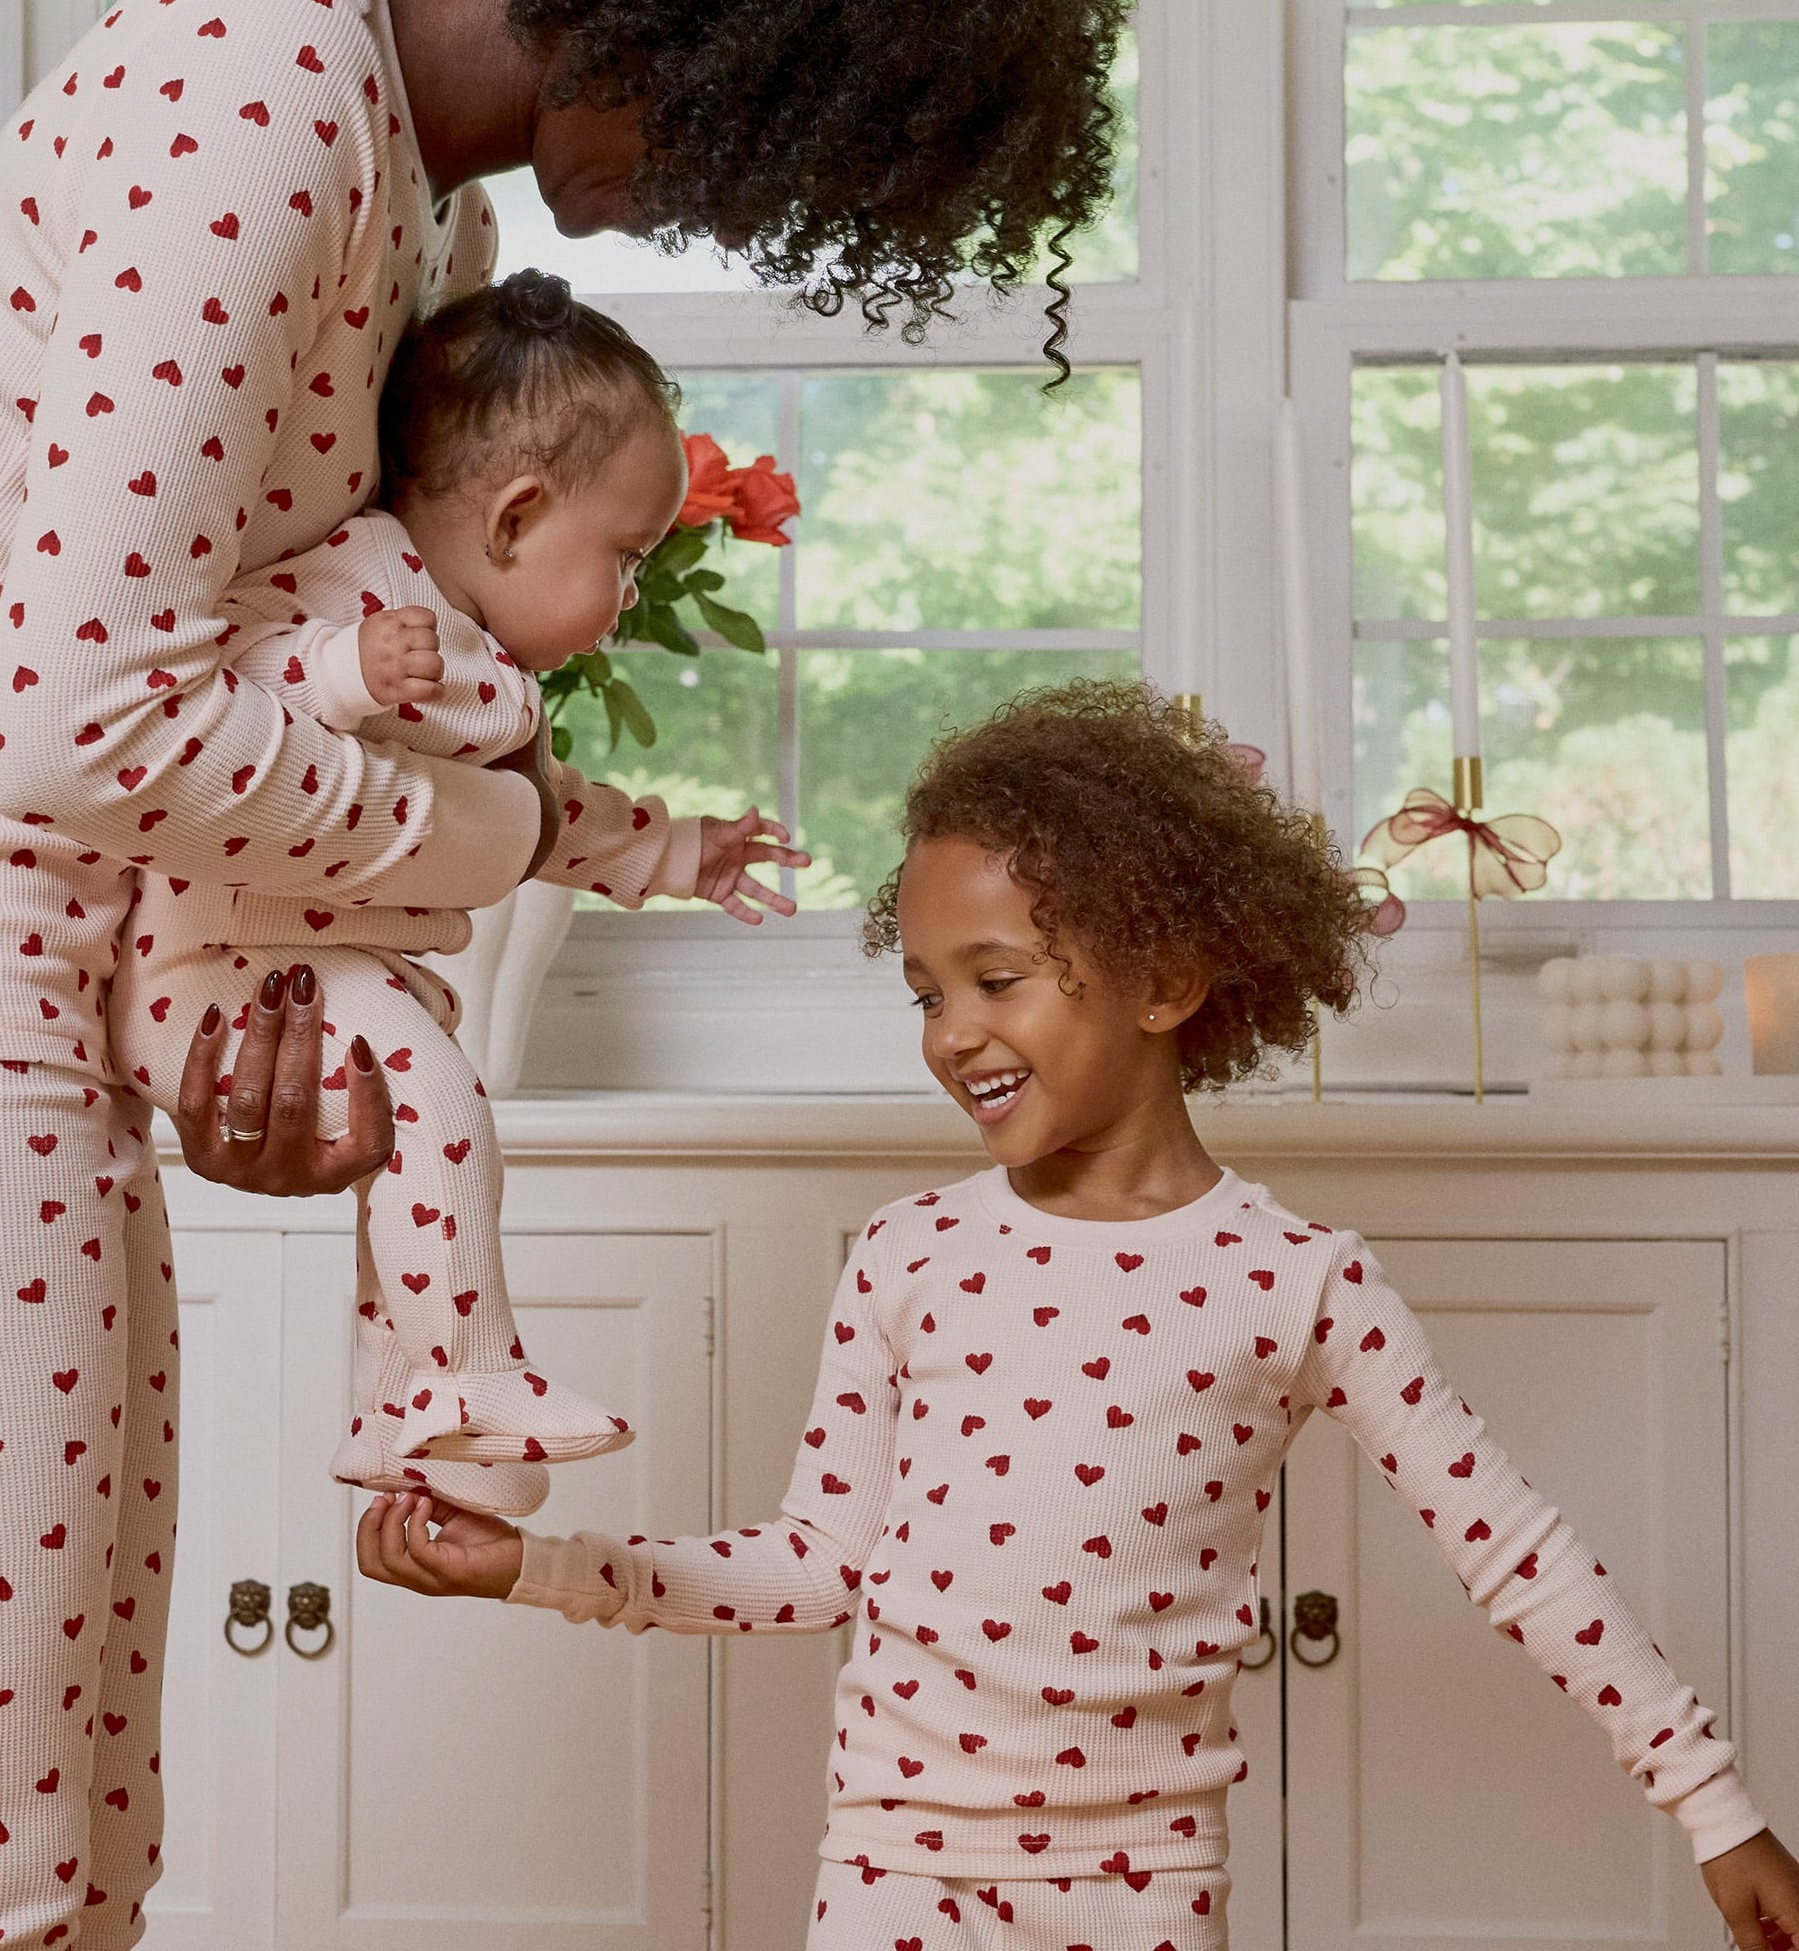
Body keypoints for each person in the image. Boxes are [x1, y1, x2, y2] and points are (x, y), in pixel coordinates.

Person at [0, 0, 1128, 1943]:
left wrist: (226, 1054)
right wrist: (492, 834)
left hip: (33, 1027)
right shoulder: (257, 83)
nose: (717, 210)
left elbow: (237, 685)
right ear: (688, 13)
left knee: (69, 1827)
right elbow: (71, 719)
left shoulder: (421, 222)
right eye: (747, 153)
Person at [357, 682, 1799, 1951]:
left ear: (1169, 981)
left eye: (997, 979)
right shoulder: (907, 1258)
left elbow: (1522, 1559)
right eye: (927, 992)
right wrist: (532, 1567)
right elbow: (808, 1565)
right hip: (891, 1877)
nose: (952, 1032)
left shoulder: (1296, 1280)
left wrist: (1719, 1813)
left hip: (1144, 1890)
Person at [110, 269, 804, 1515]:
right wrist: (339, 673)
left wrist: (674, 850)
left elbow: (543, 816)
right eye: (626, 557)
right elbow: (213, 672)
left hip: (321, 972)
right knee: (438, 1105)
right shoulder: (362, 580)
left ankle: (400, 1412)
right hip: (222, 977)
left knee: (414, 1160)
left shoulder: (481, 662)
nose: (633, 592)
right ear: (517, 515)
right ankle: (464, 1372)